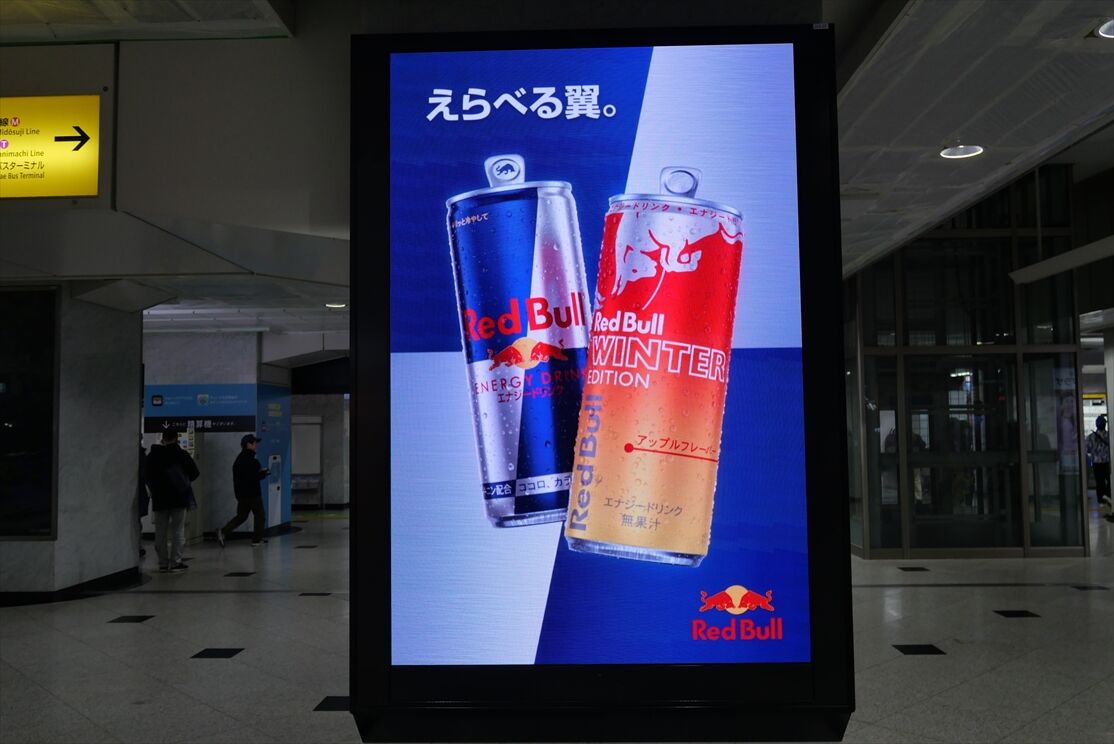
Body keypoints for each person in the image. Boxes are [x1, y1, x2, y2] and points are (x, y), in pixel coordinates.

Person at [145, 431, 200, 572]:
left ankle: (162, 563)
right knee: (178, 530)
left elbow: (145, 474)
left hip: (159, 499)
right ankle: (176, 562)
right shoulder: (182, 455)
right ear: (176, 439)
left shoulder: (153, 455)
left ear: (162, 440)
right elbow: (195, 473)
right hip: (179, 498)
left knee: (160, 531)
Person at [217, 434, 270, 547]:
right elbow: (253, 477)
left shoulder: (239, 459)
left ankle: (223, 531)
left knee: (241, 516)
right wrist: (264, 473)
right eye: (254, 443)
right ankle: (256, 540)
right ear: (248, 445)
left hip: (241, 494)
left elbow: (242, 477)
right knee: (260, 516)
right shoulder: (251, 460)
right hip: (253, 494)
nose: (256, 445)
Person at [1085, 414, 1111, 522]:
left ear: (1096, 425)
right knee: (1109, 481)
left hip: (1096, 463)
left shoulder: (1091, 437)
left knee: (1099, 483)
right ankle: (1109, 497)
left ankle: (1102, 504)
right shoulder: (1109, 435)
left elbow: (1087, 450)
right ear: (1105, 425)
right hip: (1108, 463)